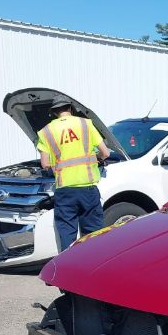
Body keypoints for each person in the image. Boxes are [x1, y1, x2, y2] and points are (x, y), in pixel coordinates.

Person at [36, 96, 111, 250]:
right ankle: (94, 267)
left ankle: (69, 268)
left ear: (54, 113)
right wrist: (96, 158)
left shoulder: (46, 132)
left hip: (65, 190)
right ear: (70, 108)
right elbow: (106, 153)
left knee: (67, 234)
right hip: (88, 188)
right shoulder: (86, 124)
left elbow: (45, 164)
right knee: (94, 234)